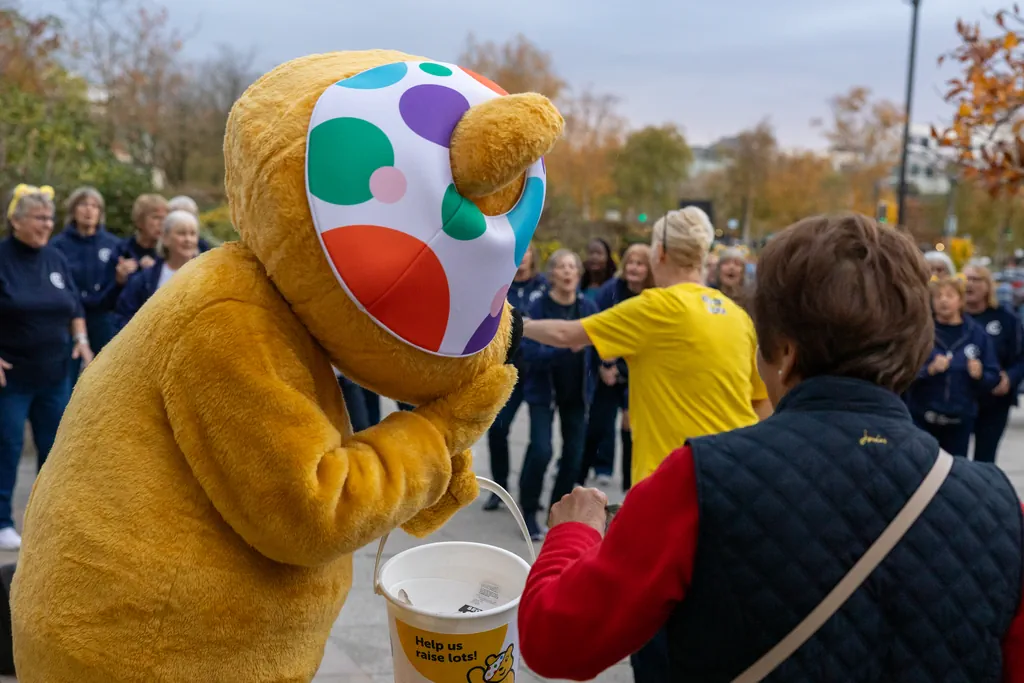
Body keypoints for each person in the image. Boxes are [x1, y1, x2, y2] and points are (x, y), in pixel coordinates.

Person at [517, 213, 1024, 683]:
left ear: (783, 349)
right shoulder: (1002, 508)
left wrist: (573, 533)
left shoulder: (692, 483)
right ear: (917, 343)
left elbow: (553, 640)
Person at [0, 184, 93, 551]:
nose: (47, 224)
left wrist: (82, 341)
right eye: (39, 218)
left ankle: (47, 520)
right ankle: (2, 521)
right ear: (16, 220)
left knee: (54, 449)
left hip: (55, 375)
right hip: (12, 377)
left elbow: (74, 307)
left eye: (50, 218)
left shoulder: (55, 258)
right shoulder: (3, 258)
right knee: (7, 448)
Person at [518, 249, 597, 539]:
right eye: (561, 267)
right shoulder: (538, 306)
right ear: (551, 274)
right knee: (541, 450)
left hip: (577, 394)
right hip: (543, 392)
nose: (567, 272)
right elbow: (529, 352)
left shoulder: (588, 307)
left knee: (573, 456)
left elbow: (600, 346)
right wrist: (563, 348)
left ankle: (556, 512)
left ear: (578, 274)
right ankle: (528, 511)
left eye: (572, 267)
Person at [578, 243, 653, 490]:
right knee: (597, 425)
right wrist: (603, 365)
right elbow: (593, 326)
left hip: (638, 370)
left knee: (630, 428)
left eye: (640, 263)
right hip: (608, 365)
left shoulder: (655, 294)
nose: (634, 268)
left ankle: (630, 490)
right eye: (630, 262)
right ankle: (578, 478)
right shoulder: (611, 290)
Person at [904, 275, 1001, 457]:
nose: (943, 301)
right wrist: (928, 370)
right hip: (922, 419)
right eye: (938, 296)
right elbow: (903, 374)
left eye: (949, 295)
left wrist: (979, 375)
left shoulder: (976, 334)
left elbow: (993, 376)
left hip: (959, 422)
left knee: (954, 470)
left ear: (960, 301)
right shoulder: (921, 333)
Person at [484, 243, 547, 511]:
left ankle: (530, 490)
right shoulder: (500, 283)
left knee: (541, 441)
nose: (522, 256)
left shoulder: (543, 286)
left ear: (533, 256)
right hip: (507, 369)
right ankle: (499, 487)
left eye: (527, 251)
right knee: (498, 429)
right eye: (519, 250)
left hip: (537, 372)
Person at [49, 187, 123, 375]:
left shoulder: (113, 244)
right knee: (70, 376)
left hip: (104, 318)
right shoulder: (57, 246)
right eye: (83, 204)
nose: (89, 210)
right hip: (69, 319)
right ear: (73, 210)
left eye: (94, 206)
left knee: (106, 375)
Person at [963, 264, 1024, 462]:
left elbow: (1020, 357)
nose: (969, 284)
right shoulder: (951, 317)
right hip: (958, 399)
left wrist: (1010, 378)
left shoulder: (1006, 318)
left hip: (994, 401)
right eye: (966, 279)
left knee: (985, 460)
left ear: (988, 285)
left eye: (976, 279)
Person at [113, 210, 200, 332]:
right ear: (165, 238)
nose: (188, 239)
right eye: (181, 233)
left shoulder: (207, 278)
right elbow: (124, 316)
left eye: (192, 234)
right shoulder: (145, 279)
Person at [713, 246, 752, 312]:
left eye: (737, 264)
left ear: (743, 272)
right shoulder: (709, 296)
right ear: (718, 269)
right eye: (726, 263)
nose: (731, 267)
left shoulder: (750, 302)